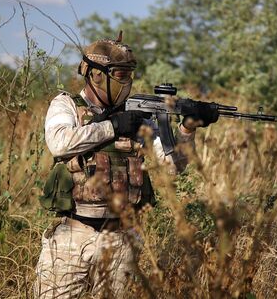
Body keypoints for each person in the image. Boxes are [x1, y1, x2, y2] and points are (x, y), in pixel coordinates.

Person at [34, 34, 218, 298]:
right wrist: (112, 127)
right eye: (120, 74)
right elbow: (59, 143)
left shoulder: (136, 119)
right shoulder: (67, 105)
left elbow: (171, 167)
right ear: (96, 75)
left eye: (129, 74)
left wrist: (188, 128)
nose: (126, 82)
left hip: (120, 239)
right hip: (71, 236)